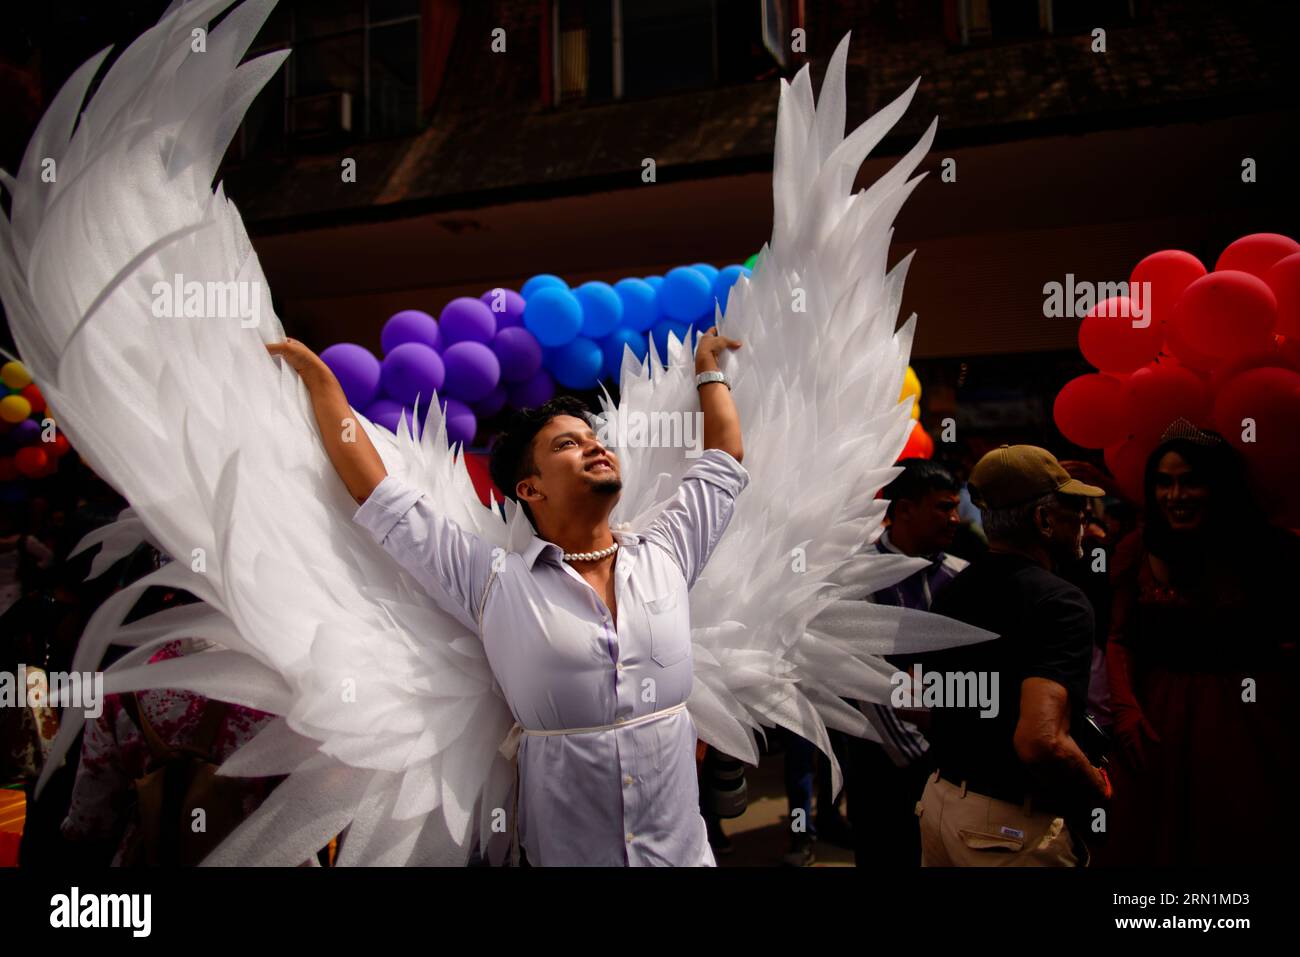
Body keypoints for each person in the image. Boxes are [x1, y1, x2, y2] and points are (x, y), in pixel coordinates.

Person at [266, 327, 746, 866]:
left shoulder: (669, 554)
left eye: (594, 438)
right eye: (567, 444)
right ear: (530, 489)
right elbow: (378, 494)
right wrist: (323, 384)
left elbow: (724, 458)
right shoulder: (493, 582)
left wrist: (708, 370)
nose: (594, 445)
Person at [1101, 422, 1300, 866]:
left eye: (1190, 481)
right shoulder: (1138, 548)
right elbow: (1119, 638)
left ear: (1220, 485)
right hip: (1160, 719)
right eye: (1163, 483)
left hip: (1254, 722)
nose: (1175, 496)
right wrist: (1126, 709)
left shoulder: (1271, 552)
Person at [914, 445, 1110, 866]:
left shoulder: (954, 587)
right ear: (1043, 520)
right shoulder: (1062, 603)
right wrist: (1098, 786)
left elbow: (916, 703)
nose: (1083, 518)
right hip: (1007, 832)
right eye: (1073, 506)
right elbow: (1040, 740)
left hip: (940, 805)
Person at [846, 459, 967, 869]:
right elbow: (863, 675)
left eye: (955, 507)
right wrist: (920, 752)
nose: (954, 518)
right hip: (882, 763)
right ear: (902, 510)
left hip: (949, 764)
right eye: (942, 507)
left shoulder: (959, 576)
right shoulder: (858, 577)